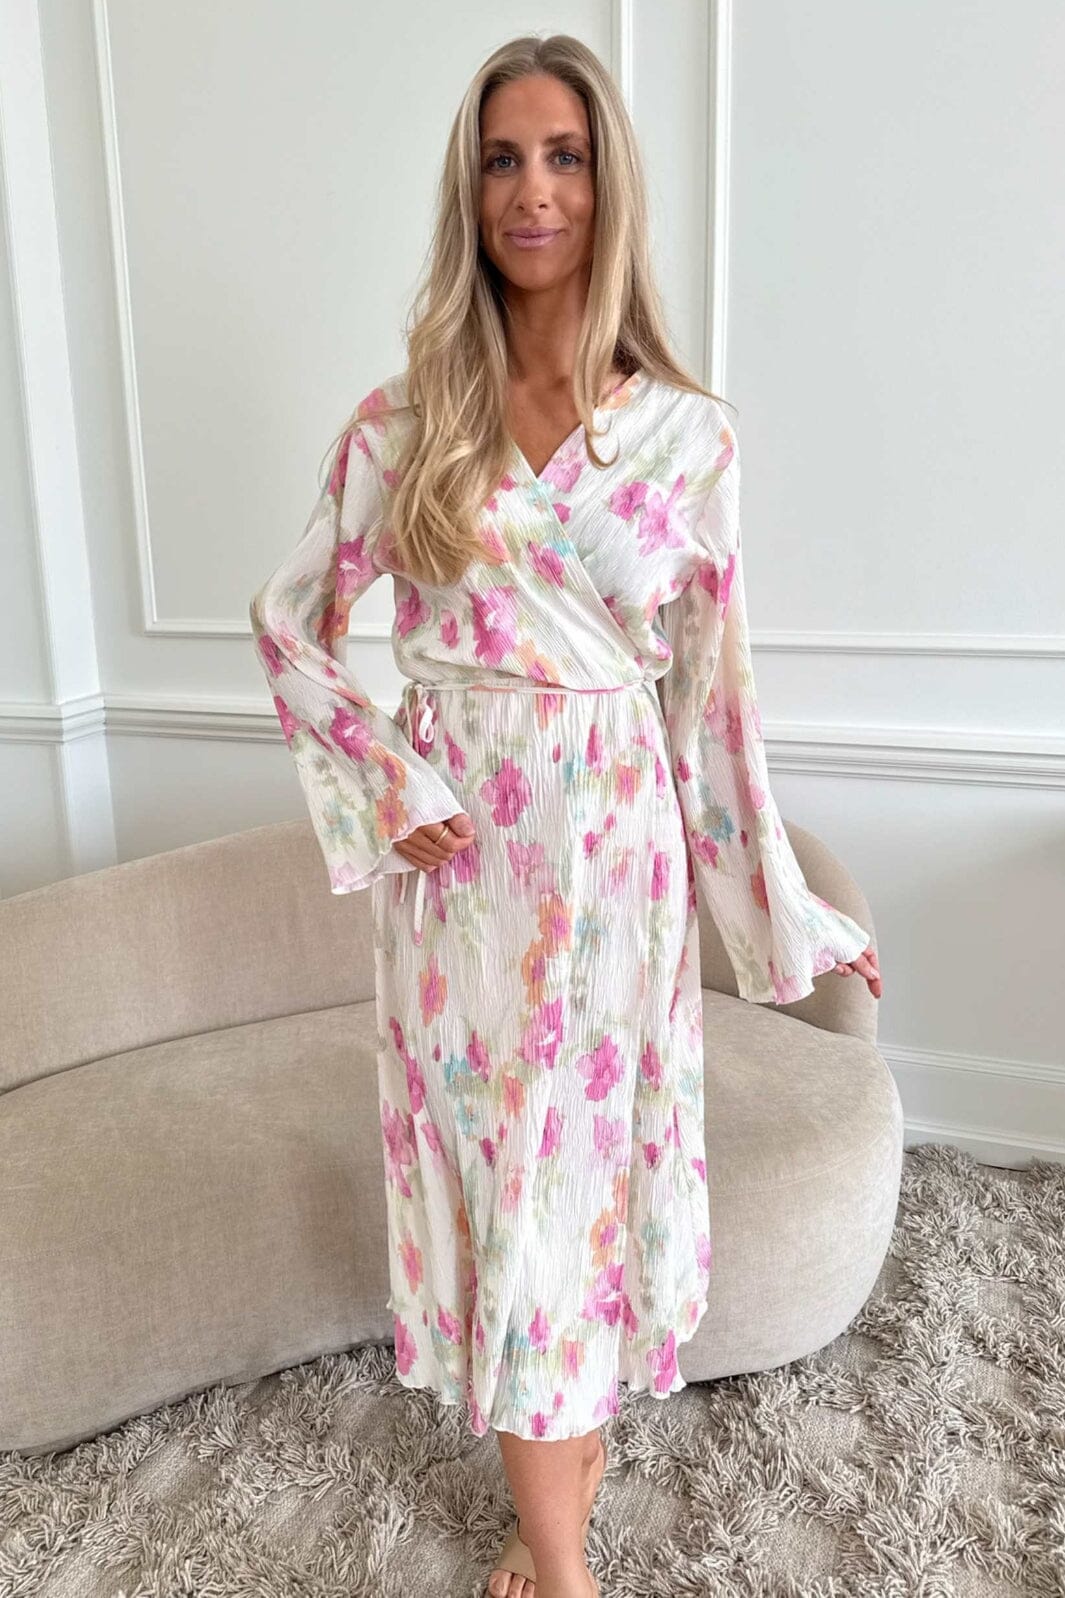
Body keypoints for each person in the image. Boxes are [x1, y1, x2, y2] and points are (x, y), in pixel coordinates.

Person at [249, 32, 882, 1598]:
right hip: (465, 869)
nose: (532, 190)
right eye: (502, 159)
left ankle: (553, 1538)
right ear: (469, 192)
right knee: (508, 1181)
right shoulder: (406, 421)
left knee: (581, 1190)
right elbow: (288, 619)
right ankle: (560, 1548)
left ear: (607, 183)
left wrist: (787, 916)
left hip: (612, 858)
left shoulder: (686, 438)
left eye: (563, 155)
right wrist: (386, 778)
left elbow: (708, 710)